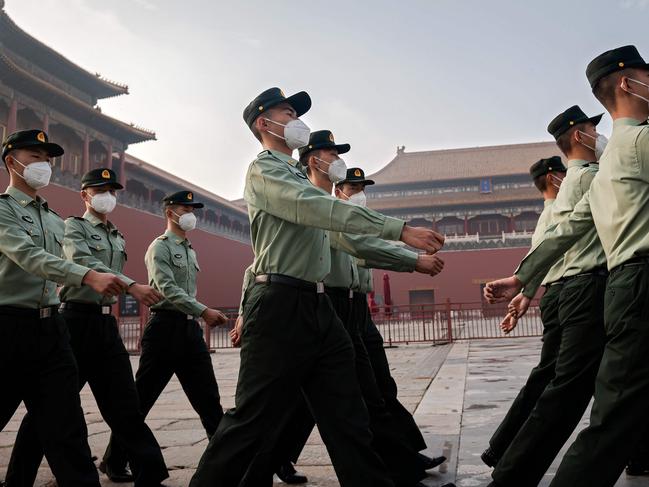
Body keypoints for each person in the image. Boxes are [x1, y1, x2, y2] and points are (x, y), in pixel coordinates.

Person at [189, 87, 445, 487]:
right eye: (288, 112)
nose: (296, 120)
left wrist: (406, 255)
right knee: (252, 419)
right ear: (263, 122)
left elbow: (348, 240)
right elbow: (317, 207)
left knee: (349, 415)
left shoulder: (296, 176)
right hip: (279, 304)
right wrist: (401, 230)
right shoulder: (266, 170)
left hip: (318, 305)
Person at [484, 45, 649, 487]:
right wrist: (526, 281)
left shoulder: (611, 157)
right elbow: (569, 229)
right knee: (602, 405)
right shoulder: (634, 144)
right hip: (627, 281)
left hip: (616, 283)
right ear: (628, 84)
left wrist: (523, 277)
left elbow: (567, 229)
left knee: (605, 398)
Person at [4, 167, 169, 487]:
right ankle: (18, 478)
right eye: (100, 189)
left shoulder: (117, 235)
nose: (108, 196)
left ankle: (150, 475)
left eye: (112, 190)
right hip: (73, 321)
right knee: (50, 411)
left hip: (104, 324)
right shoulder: (72, 227)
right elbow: (82, 263)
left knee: (125, 402)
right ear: (85, 195)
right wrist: (131, 285)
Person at [0, 129, 128, 487]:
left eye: (47, 158)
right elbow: (30, 257)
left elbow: (55, 265)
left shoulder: (56, 220)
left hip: (51, 331)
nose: (44, 164)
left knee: (66, 425)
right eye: (34, 156)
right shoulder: (2, 211)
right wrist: (87, 275)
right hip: (8, 328)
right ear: (12, 162)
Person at [101, 190, 228, 480]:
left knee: (209, 401)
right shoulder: (159, 248)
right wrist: (202, 310)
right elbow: (167, 288)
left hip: (189, 332)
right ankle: (115, 460)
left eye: (193, 208)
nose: (191, 213)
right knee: (141, 401)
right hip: (164, 331)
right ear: (170, 212)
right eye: (186, 208)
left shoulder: (189, 248)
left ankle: (226, 463)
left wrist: (196, 314)